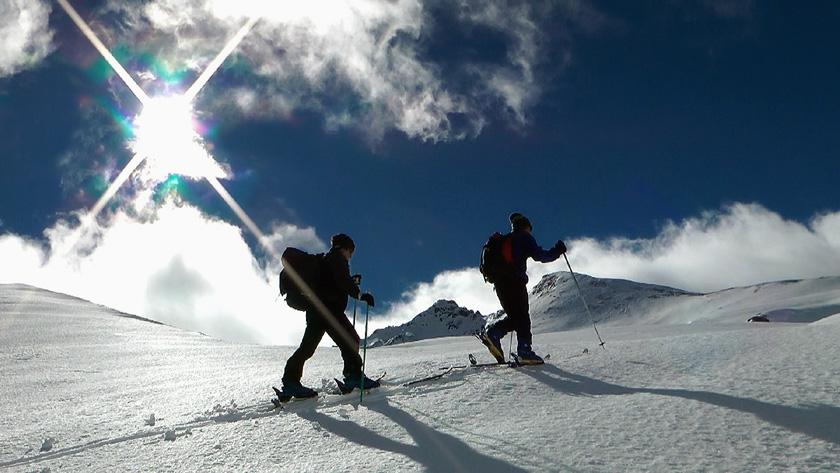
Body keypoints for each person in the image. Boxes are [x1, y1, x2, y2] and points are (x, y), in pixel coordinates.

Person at [280, 233, 378, 398]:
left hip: (316, 310)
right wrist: (360, 295)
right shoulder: (338, 259)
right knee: (350, 339)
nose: (351, 255)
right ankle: (353, 376)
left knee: (308, 347)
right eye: (351, 251)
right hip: (329, 310)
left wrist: (350, 281)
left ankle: (290, 382)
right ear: (345, 248)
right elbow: (341, 280)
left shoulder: (326, 260)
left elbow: (334, 281)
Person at [479, 213, 566, 365]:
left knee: (515, 317)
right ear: (526, 227)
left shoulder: (505, 240)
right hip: (515, 281)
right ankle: (524, 350)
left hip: (499, 284)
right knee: (522, 317)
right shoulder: (524, 237)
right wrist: (557, 251)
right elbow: (540, 255)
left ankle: (494, 333)